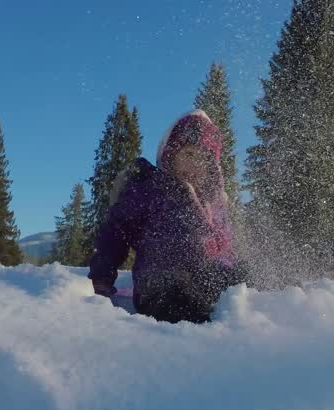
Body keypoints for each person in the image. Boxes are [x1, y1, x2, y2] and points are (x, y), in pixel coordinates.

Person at [88, 110, 245, 323]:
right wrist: (102, 275)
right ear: (170, 154)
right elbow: (115, 233)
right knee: (179, 297)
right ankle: (202, 334)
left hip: (203, 278)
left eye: (203, 159)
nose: (195, 165)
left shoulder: (210, 202)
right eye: (189, 155)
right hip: (159, 283)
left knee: (245, 277)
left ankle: (281, 301)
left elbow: (224, 246)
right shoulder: (149, 188)